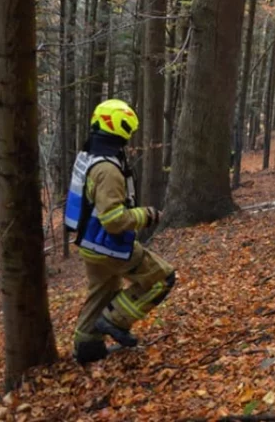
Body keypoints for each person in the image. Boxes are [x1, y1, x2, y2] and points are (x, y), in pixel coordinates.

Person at [64, 99, 175, 364]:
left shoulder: (88, 156)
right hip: (108, 245)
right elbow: (113, 220)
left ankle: (87, 348)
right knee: (163, 278)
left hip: (88, 245)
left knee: (101, 292)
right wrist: (146, 215)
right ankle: (114, 321)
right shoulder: (108, 169)